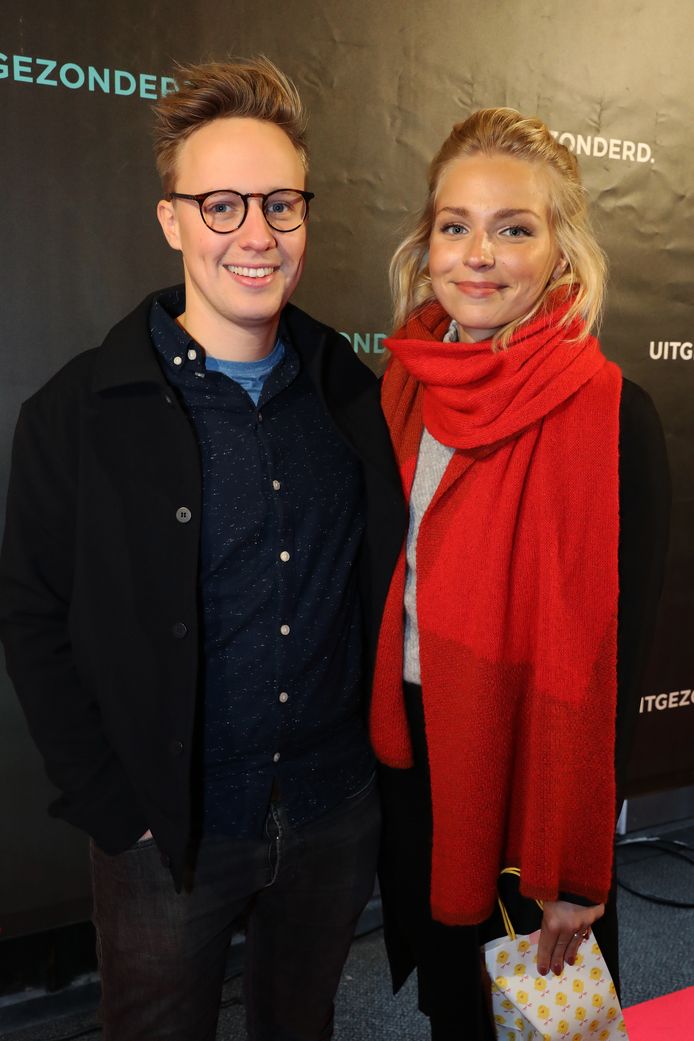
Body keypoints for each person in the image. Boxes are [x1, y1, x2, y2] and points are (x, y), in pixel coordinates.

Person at [0, 57, 405, 1041]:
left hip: (331, 815)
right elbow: (31, 610)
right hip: (163, 836)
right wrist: (112, 802)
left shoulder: (351, 393)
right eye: (220, 205)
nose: (255, 235)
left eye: (279, 203)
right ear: (172, 220)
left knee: (297, 1025)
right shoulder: (78, 411)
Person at [369, 108, 670, 1040]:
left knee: (540, 1011)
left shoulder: (614, 416)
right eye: (455, 226)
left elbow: (602, 670)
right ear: (427, 244)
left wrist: (579, 870)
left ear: (562, 250)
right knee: (456, 1006)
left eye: (514, 228)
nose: (479, 255)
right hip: (419, 754)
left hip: (535, 773)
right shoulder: (402, 384)